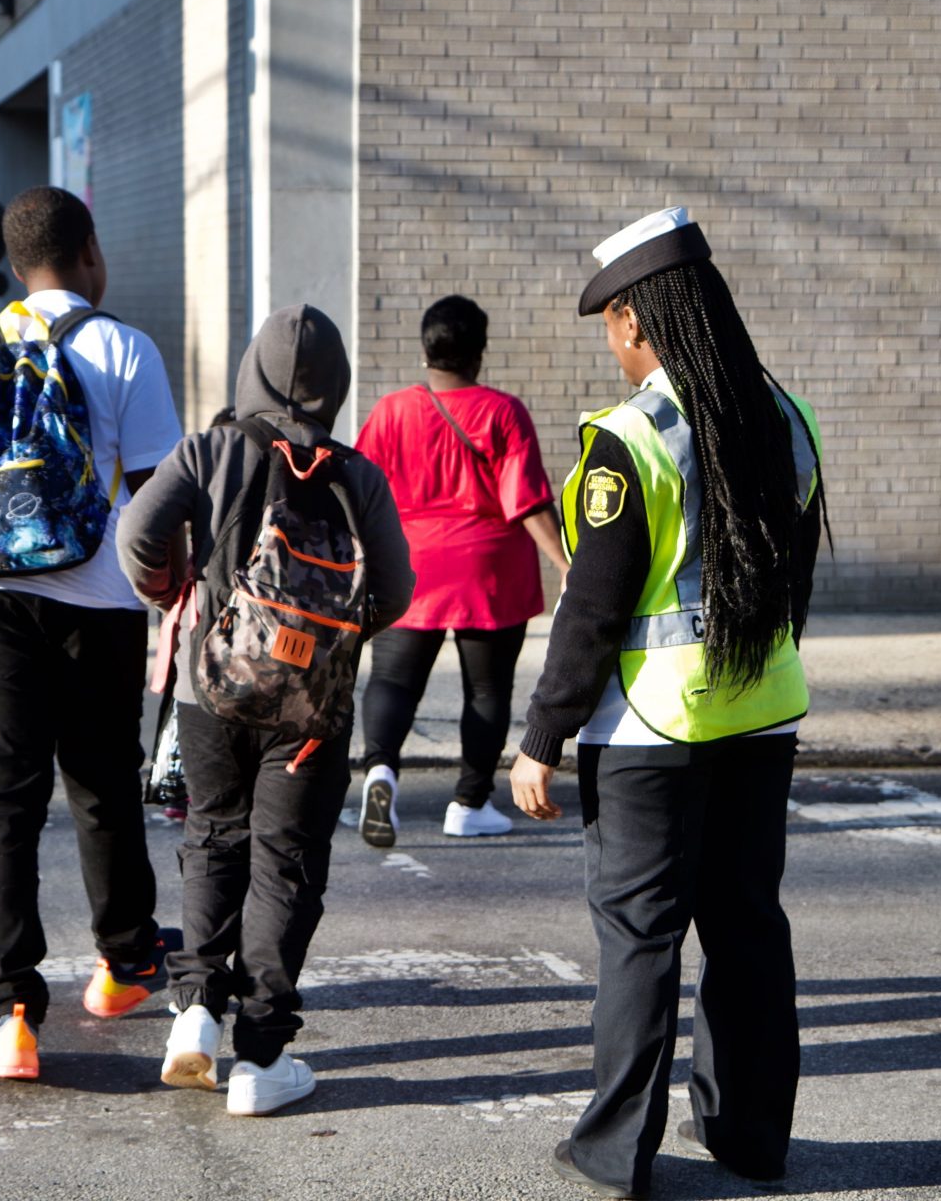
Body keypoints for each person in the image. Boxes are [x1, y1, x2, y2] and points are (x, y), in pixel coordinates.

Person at [507, 208, 826, 1197]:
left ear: (638, 322)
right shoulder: (785, 415)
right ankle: (749, 1137)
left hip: (651, 729)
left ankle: (616, 1153)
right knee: (747, 924)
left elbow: (593, 607)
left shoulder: (631, 438)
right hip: (761, 715)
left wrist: (542, 734)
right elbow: (794, 582)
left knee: (642, 936)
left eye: (611, 323)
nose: (611, 343)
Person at [0, 186, 186, 1081]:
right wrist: (168, 587)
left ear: (14, 263)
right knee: (102, 780)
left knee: (0, 798)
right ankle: (125, 962)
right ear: (90, 251)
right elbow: (157, 494)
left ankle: (12, 1018)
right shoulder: (124, 348)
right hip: (99, 598)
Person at [118, 305, 414, 1116]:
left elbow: (137, 532)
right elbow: (396, 590)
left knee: (213, 835)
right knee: (286, 863)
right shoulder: (357, 476)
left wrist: (171, 593)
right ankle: (261, 1059)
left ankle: (194, 1011)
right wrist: (328, 641)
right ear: (336, 386)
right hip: (310, 710)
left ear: (251, 371)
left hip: (210, 689)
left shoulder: (208, 450)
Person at [353, 295, 569, 845]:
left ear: (425, 351)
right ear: (479, 351)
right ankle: (469, 804)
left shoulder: (391, 411)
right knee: (487, 689)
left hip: (411, 566)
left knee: (392, 681)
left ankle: (380, 774)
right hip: (488, 571)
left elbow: (360, 493)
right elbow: (526, 499)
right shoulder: (503, 412)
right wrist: (565, 564)